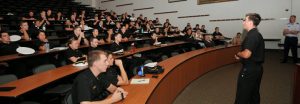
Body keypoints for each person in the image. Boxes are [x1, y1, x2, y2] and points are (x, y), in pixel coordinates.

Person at [234, 13, 264, 104]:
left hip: (249, 70)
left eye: (245, 20)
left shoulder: (252, 35)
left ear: (250, 22)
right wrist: (241, 58)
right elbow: (253, 54)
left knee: (243, 95)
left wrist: (239, 54)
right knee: (253, 93)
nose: (243, 22)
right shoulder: (256, 34)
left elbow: (246, 54)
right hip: (256, 69)